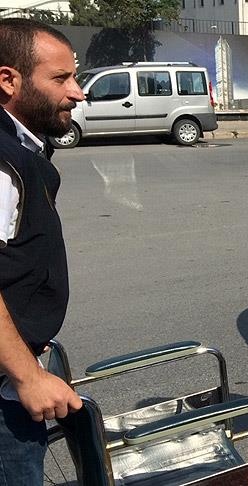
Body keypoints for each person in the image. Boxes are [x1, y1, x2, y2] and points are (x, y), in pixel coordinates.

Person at [0, 18, 85, 485]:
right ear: (8, 80)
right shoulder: (2, 161)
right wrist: (27, 377)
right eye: (60, 79)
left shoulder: (20, 148)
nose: (77, 93)